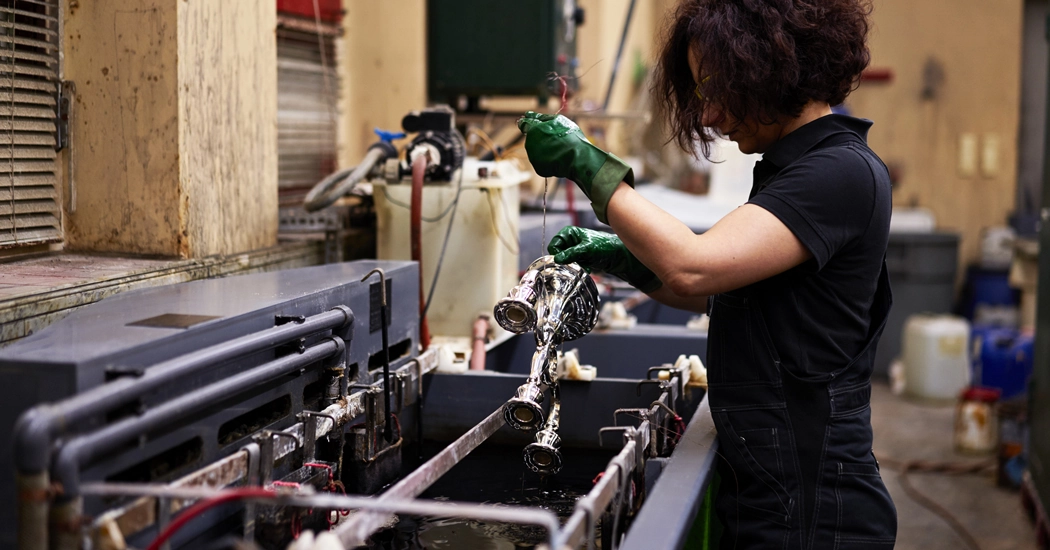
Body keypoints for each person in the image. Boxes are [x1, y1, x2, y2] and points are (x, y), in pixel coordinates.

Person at [516, 0, 896, 548]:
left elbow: (695, 267)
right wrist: (622, 258)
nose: (711, 115)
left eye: (717, 88)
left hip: (813, 509)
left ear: (772, 66)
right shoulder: (797, 169)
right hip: (770, 489)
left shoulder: (839, 173)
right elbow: (725, 292)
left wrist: (587, 163)